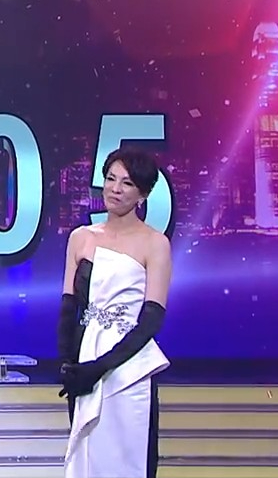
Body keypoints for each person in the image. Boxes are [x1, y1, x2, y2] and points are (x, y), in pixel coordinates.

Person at [56, 147, 171, 478]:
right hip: (84, 363)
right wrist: (69, 364)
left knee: (126, 459)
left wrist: (101, 368)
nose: (115, 189)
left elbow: (151, 319)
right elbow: (68, 307)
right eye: (110, 179)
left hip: (128, 369)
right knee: (87, 457)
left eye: (127, 183)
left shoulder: (155, 243)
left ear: (143, 194)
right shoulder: (81, 238)